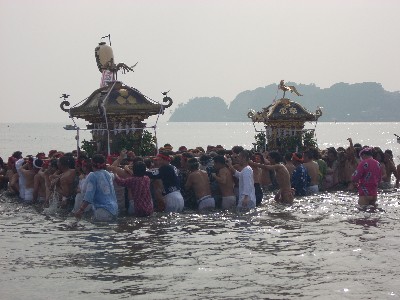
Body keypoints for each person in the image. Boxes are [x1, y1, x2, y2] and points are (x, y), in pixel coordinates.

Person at [75, 154, 118, 222]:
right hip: (114, 209)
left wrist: (81, 209)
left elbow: (88, 196)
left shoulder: (92, 175)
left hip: (103, 210)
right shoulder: (108, 174)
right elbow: (114, 176)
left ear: (92, 164)